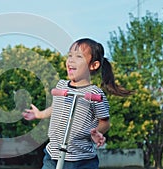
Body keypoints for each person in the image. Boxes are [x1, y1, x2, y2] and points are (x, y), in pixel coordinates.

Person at [22, 38, 132, 169]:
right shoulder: (62, 85)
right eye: (70, 55)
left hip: (81, 160)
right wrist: (39, 114)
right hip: (53, 155)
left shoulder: (95, 93)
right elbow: (56, 108)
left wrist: (96, 132)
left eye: (78, 56)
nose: (71, 60)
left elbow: (105, 122)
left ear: (93, 65)